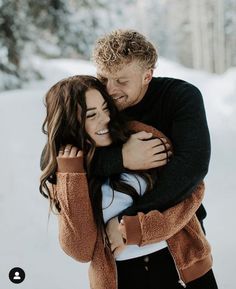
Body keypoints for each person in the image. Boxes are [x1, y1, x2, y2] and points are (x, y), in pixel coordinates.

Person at [40, 75, 218, 289]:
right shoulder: (70, 173)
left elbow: (191, 191)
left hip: (184, 271)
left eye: (106, 108)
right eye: (91, 115)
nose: (105, 119)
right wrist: (72, 175)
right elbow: (81, 249)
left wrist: (135, 229)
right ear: (70, 122)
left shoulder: (140, 136)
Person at [92, 29, 211, 231]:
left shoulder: (180, 97)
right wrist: (122, 158)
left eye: (121, 81)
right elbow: (55, 159)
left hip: (176, 228)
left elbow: (193, 165)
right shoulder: (93, 99)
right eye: (104, 79)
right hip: (107, 236)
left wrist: (127, 221)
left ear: (147, 76)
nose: (110, 90)